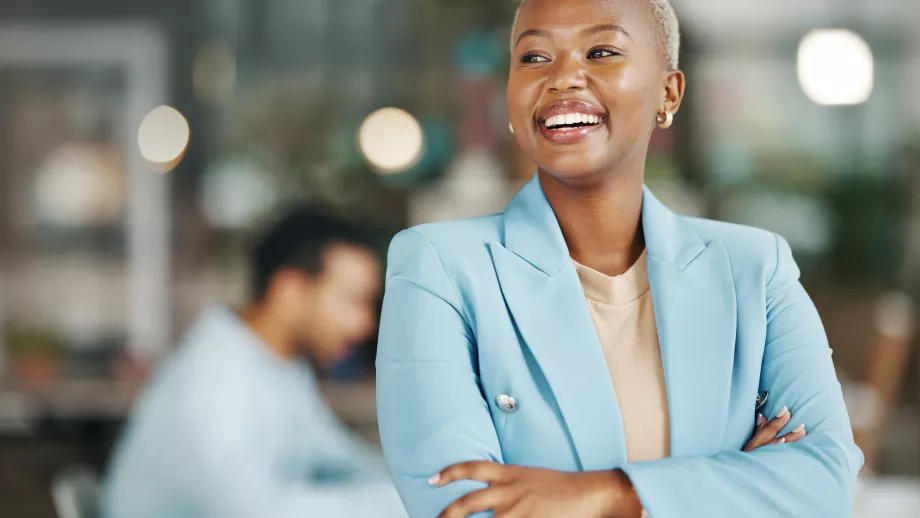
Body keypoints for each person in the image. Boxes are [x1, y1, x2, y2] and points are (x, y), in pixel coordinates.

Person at [375, 0, 864, 516]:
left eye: (601, 51)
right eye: (535, 58)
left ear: (668, 93)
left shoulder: (755, 269)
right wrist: (729, 484)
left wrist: (602, 493)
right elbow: (461, 506)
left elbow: (824, 485)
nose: (563, 77)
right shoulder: (437, 269)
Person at [102, 207, 405, 518]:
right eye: (353, 300)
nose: (366, 323)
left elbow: (339, 460)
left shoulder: (279, 368)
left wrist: (427, 488)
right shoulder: (215, 378)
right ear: (289, 290)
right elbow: (258, 511)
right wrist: (406, 504)